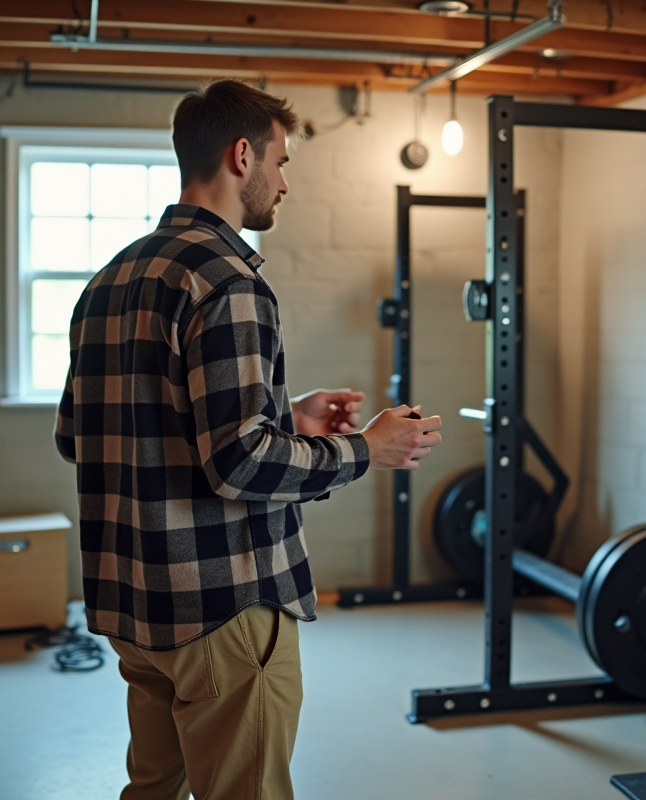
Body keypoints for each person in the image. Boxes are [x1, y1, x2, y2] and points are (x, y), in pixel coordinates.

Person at [55, 79, 443, 800]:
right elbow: (240, 462)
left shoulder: (108, 280)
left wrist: (282, 413)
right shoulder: (229, 280)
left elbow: (82, 435)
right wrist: (370, 449)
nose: (285, 184)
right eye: (282, 161)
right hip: (222, 610)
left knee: (154, 791)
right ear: (243, 156)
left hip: (136, 610)